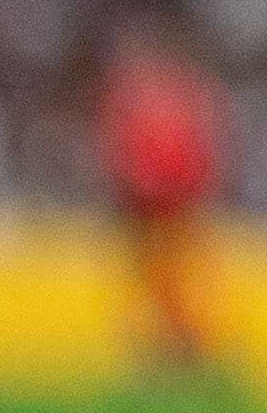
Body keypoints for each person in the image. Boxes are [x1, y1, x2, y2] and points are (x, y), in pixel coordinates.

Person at [96, 24, 225, 384]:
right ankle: (166, 351)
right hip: (149, 209)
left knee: (176, 281)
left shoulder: (177, 100)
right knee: (157, 282)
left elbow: (199, 156)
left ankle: (185, 350)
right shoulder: (151, 102)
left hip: (173, 208)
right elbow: (124, 157)